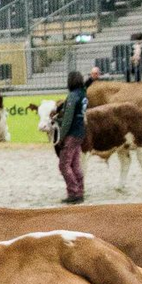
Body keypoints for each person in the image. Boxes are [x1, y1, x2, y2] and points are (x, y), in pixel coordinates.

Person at [55, 70, 89, 205]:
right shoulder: (83, 94)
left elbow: (68, 119)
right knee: (75, 164)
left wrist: (61, 137)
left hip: (71, 133)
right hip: (80, 132)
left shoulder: (73, 96)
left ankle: (73, 192)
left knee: (64, 165)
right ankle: (80, 191)